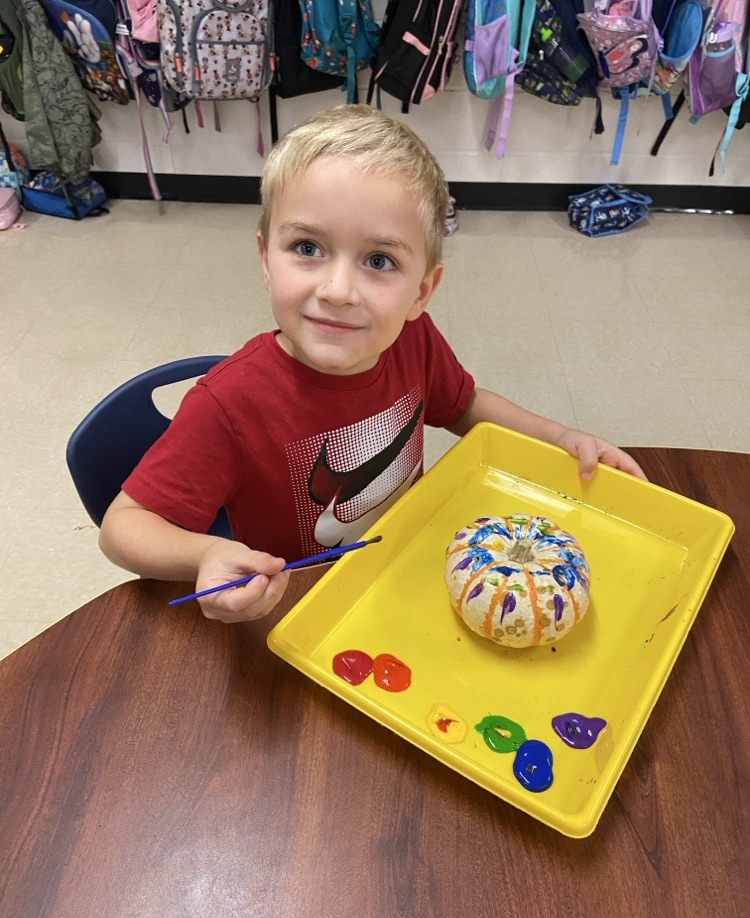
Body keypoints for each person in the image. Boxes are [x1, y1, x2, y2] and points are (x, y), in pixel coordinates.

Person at [99, 104, 646, 624]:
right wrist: (205, 554)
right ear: (266, 258)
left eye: (379, 261)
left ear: (421, 292)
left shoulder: (413, 338)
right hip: (307, 610)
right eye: (308, 248)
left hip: (408, 567)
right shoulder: (229, 404)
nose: (338, 290)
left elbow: (466, 405)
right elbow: (122, 528)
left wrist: (560, 435)